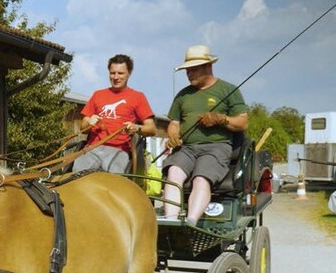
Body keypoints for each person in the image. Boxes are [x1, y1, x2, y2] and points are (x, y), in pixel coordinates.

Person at [162, 45, 249, 224]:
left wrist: (221, 119)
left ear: (208, 67)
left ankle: (191, 221)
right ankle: (171, 221)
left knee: (201, 178)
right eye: (187, 70)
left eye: (194, 70)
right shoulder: (182, 96)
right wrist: (173, 136)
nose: (189, 74)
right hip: (186, 148)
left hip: (216, 148)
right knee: (173, 173)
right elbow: (174, 123)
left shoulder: (228, 90)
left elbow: (242, 122)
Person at [75, 54, 156, 173]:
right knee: (75, 179)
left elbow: (152, 129)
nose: (116, 77)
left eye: (120, 73)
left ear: (129, 73)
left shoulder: (138, 97)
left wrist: (136, 128)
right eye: (112, 73)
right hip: (92, 149)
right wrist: (89, 123)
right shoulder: (98, 94)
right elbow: (83, 127)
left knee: (114, 183)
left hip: (119, 151)